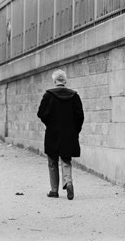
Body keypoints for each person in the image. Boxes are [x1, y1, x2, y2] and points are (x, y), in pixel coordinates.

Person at [37, 69, 84, 200]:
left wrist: (50, 124)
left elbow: (41, 113)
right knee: (66, 160)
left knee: (52, 161)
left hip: (53, 133)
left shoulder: (48, 95)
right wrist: (75, 131)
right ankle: (68, 182)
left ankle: (54, 190)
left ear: (54, 81)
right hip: (68, 134)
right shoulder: (74, 96)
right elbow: (80, 116)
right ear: (65, 81)